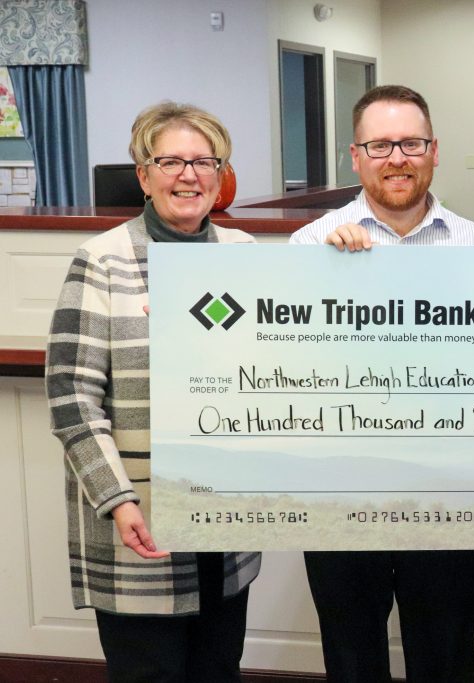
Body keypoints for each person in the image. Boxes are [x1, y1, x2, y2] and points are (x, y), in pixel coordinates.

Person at [45, 102, 260, 682]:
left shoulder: (244, 256)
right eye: (170, 161)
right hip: (139, 522)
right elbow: (71, 398)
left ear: (221, 175)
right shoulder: (101, 262)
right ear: (143, 175)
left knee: (218, 670)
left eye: (203, 161)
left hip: (223, 520)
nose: (188, 175)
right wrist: (117, 499)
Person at [290, 84, 474, 683]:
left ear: (435, 151)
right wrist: (328, 281)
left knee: (447, 655)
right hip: (339, 491)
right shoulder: (309, 247)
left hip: (446, 491)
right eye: (381, 145)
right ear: (355, 156)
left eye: (411, 143)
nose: (397, 158)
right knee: (351, 659)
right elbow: (284, 374)